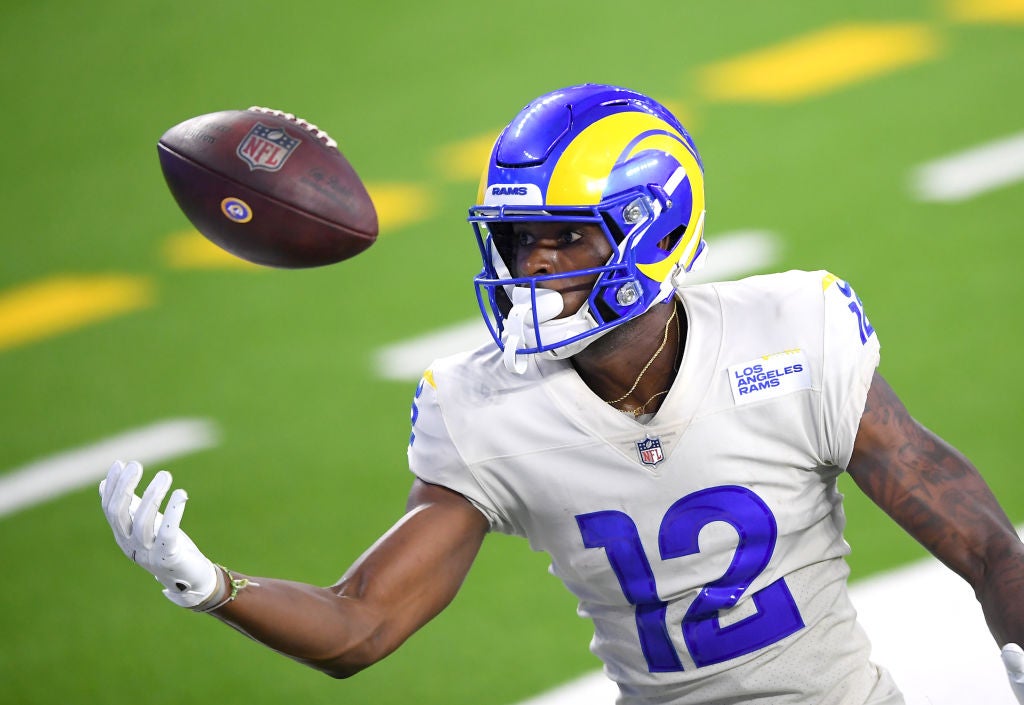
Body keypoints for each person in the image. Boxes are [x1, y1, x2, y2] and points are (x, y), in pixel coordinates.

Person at [100, 84, 1024, 704]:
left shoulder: (793, 330)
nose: (532, 265)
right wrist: (211, 585)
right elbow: (362, 622)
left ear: (650, 229)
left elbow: (985, 541)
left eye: (562, 237)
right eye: (516, 240)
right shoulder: (487, 407)